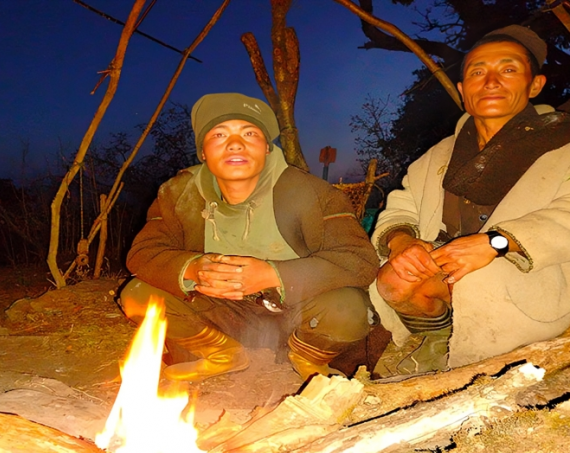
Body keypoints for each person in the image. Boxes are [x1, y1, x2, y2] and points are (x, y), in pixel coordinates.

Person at [119, 92, 380, 382]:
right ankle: (221, 353)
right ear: (203, 152)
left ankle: (307, 357)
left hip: (298, 315)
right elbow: (143, 253)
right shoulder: (178, 194)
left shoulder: (312, 192)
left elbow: (359, 259)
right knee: (137, 295)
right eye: (219, 134)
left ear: (267, 148)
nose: (234, 143)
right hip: (218, 313)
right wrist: (193, 267)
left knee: (348, 308)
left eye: (249, 133)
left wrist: (273, 274)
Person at [370, 25, 570, 375]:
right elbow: (402, 205)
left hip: (537, 276)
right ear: (464, 91)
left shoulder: (563, 140)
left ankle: (474, 368)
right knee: (394, 277)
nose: (490, 81)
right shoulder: (439, 153)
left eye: (508, 70)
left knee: (479, 278)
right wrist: (403, 242)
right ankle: (439, 339)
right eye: (478, 72)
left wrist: (497, 243)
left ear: (535, 84)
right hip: (450, 264)